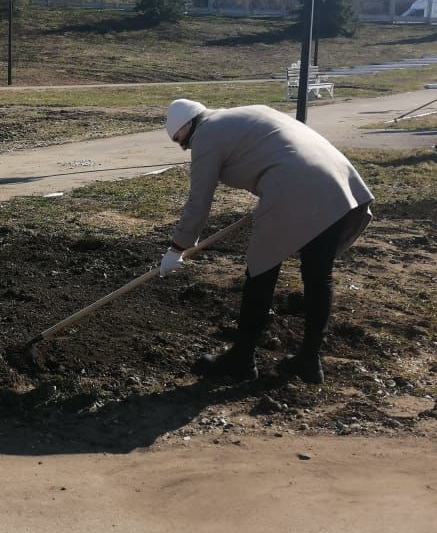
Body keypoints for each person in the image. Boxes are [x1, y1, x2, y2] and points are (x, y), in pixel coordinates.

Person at [159, 99, 373, 385]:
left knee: (260, 272)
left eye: (181, 142)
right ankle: (310, 361)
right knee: (318, 276)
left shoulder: (206, 134)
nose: (185, 148)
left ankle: (242, 359)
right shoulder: (246, 113)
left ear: (185, 127)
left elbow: (199, 201)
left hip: (295, 189)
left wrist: (177, 247)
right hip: (336, 183)